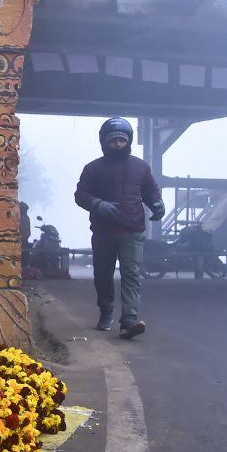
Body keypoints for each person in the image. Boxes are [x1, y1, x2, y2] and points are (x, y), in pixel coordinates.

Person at [74, 117, 164, 339]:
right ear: (104, 142)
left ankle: (130, 319)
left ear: (129, 141)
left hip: (132, 231)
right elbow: (80, 195)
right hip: (103, 232)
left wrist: (157, 204)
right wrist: (98, 204)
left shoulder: (141, 167)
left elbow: (150, 190)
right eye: (113, 140)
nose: (118, 144)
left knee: (131, 274)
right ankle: (106, 312)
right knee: (103, 275)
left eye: (122, 140)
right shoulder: (93, 169)